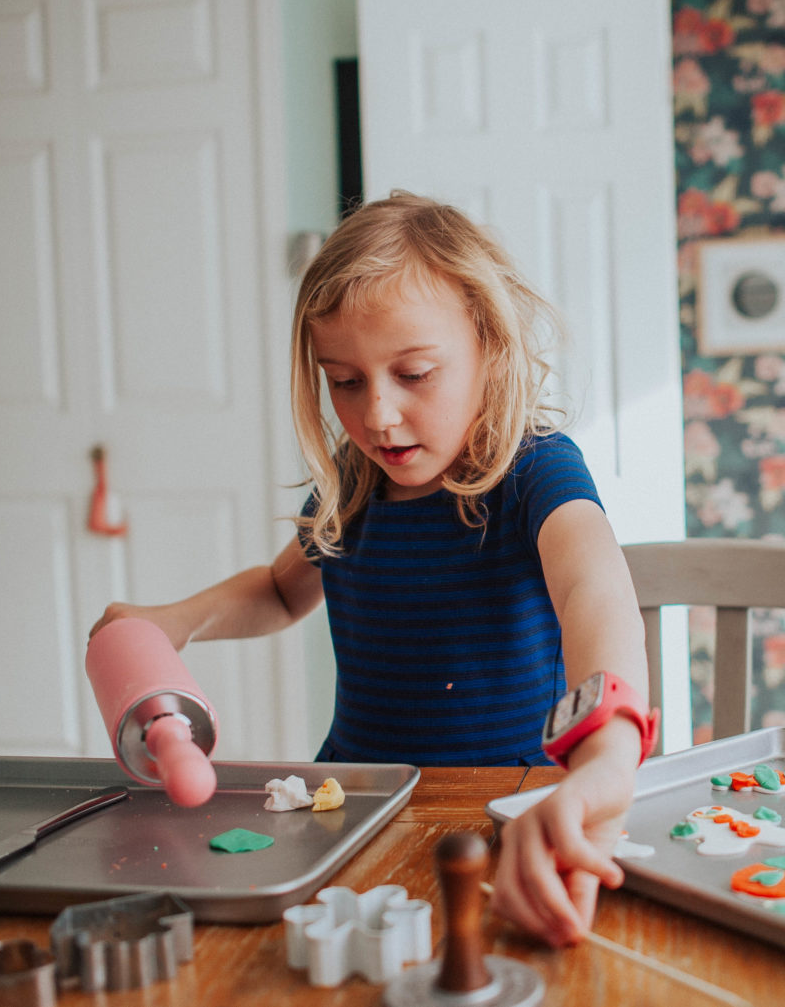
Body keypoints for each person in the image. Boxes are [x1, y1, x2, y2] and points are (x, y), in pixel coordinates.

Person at [90, 191, 650, 947]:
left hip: (503, 809)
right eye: (345, 381)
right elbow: (279, 590)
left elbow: (595, 588)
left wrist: (607, 757)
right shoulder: (355, 483)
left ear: (488, 343)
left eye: (414, 373)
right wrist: (173, 621)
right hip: (355, 806)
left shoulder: (534, 474)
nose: (378, 414)